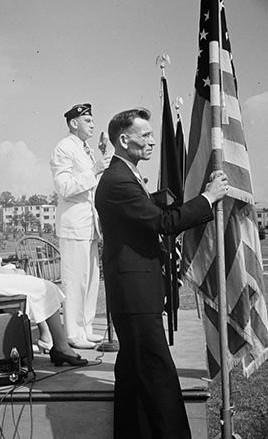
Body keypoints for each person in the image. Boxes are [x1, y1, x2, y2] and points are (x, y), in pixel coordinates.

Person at [95, 107, 228, 438]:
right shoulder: (117, 181)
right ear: (124, 141)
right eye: (146, 135)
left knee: (133, 373)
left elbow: (151, 216)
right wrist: (208, 198)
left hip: (136, 293)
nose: (153, 141)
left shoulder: (125, 177)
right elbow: (163, 223)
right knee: (157, 375)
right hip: (134, 296)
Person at [0, 168, 87, 367]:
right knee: (44, 287)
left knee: (43, 286)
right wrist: (5, 269)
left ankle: (58, 345)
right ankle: (60, 347)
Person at [50, 103, 108, 349]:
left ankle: (85, 328)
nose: (93, 124)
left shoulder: (87, 150)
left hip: (90, 224)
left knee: (92, 279)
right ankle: (73, 333)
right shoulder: (64, 148)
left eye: (93, 120)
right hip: (74, 225)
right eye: (88, 121)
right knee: (75, 280)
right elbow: (63, 187)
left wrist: (102, 158)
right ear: (74, 123)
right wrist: (94, 170)